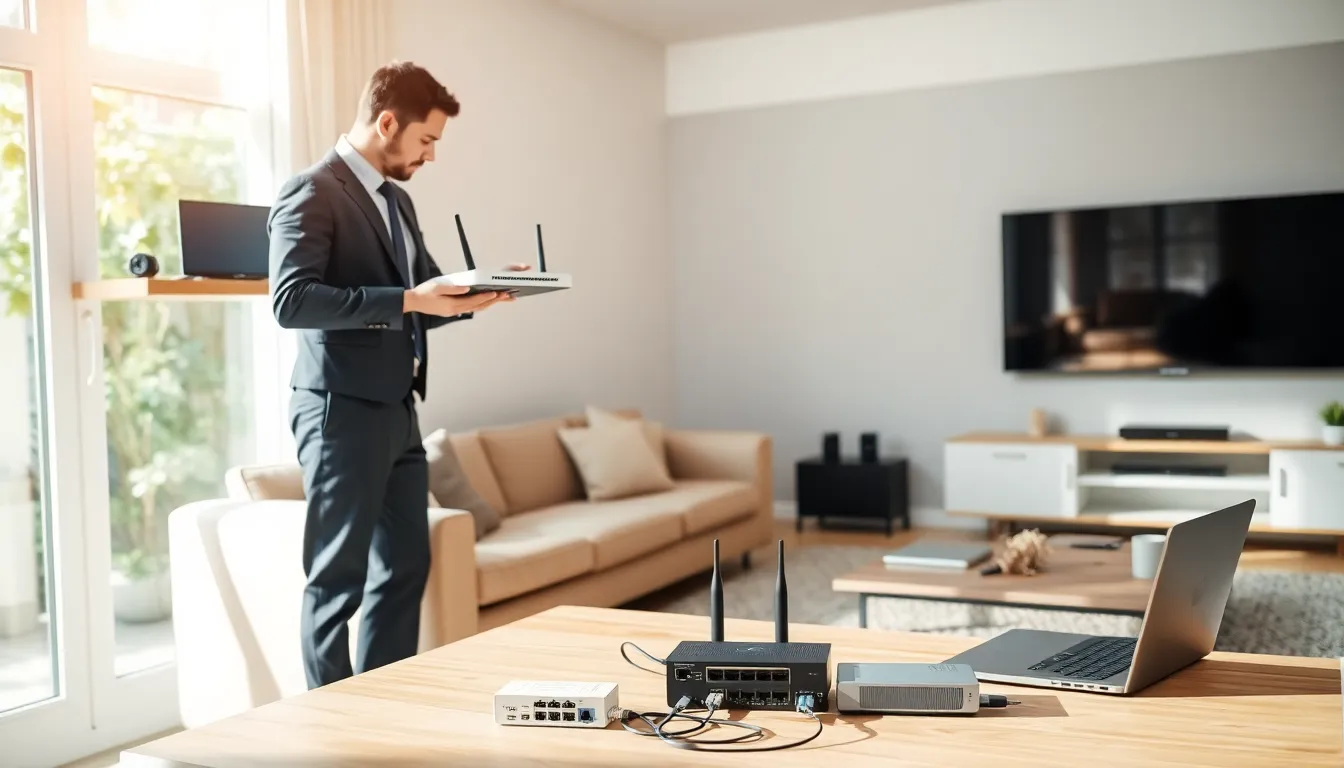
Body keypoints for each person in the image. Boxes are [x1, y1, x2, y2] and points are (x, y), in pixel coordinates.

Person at [267, 60, 523, 688]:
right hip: (338, 411)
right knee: (336, 582)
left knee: (405, 565)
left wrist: (474, 296)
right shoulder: (311, 190)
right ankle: (330, 723)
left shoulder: (397, 201)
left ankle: (378, 702)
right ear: (387, 122)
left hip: (397, 408)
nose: (432, 156)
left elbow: (423, 298)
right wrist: (409, 299)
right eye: (427, 140)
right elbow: (291, 301)